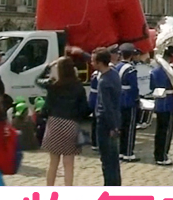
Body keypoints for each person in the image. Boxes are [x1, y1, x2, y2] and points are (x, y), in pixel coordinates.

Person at [41, 58, 87, 186]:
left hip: (54, 123)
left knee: (53, 163)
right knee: (69, 164)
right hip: (70, 124)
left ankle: (49, 188)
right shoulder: (78, 87)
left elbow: (46, 107)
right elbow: (84, 109)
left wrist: (50, 65)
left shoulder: (54, 86)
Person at [90, 49, 122, 186]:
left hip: (105, 123)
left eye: (93, 61)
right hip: (115, 120)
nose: (91, 63)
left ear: (100, 63)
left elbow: (106, 106)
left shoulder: (103, 81)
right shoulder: (114, 74)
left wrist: (112, 126)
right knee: (113, 159)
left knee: (106, 159)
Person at [150, 46, 173, 166]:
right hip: (169, 102)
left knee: (159, 131)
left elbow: (151, 86)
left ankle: (157, 154)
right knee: (167, 131)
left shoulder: (155, 70)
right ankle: (162, 156)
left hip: (159, 102)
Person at [113, 43, 141, 162]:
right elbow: (134, 87)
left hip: (118, 99)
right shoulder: (131, 69)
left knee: (121, 127)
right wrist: (137, 100)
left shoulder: (116, 67)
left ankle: (121, 151)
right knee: (130, 128)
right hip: (129, 100)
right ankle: (128, 152)